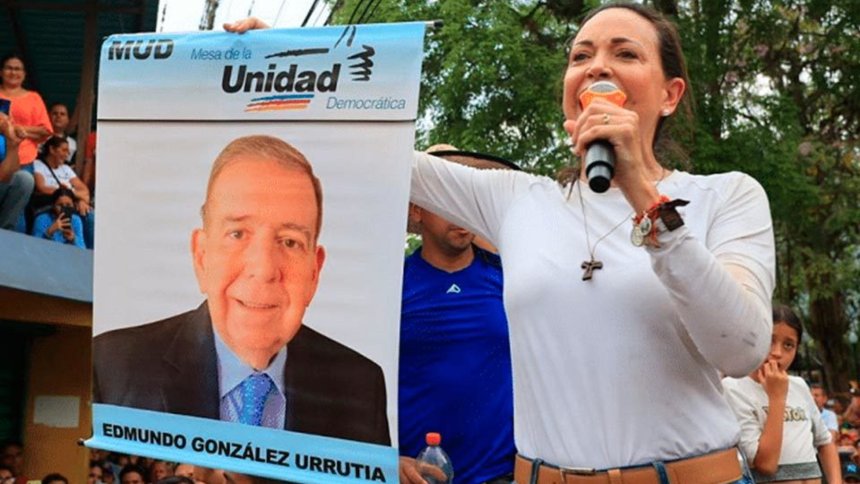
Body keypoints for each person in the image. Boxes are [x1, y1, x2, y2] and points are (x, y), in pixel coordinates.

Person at [230, 7, 774, 478]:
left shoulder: (726, 198)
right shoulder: (518, 201)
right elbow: (365, 148)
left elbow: (741, 348)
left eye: (625, 54)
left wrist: (641, 192)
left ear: (670, 94)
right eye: (581, 55)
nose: (598, 66)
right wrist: (284, 62)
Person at [93, 135, 390, 445]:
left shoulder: (361, 385)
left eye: (290, 241)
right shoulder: (112, 366)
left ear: (314, 272)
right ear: (201, 256)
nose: (263, 270)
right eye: (237, 234)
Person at [398, 147, 516, 484]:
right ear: (417, 210)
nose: (459, 212)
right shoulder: (394, 284)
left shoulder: (508, 278)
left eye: (464, 198)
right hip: (422, 475)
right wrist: (385, 456)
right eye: (445, 199)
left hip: (502, 474)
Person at [723, 305, 840, 482]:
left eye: (788, 345)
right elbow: (766, 465)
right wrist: (777, 397)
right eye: (769, 341)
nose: (777, 353)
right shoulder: (734, 388)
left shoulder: (799, 385)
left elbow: (824, 441)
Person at [33, 136, 94, 248]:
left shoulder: (66, 168)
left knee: (90, 216)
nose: (67, 154)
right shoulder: (38, 164)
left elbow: (85, 192)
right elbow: (42, 187)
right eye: (64, 150)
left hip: (71, 203)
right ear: (52, 149)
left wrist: (69, 193)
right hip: (49, 204)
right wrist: (63, 192)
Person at [0, 54, 51, 170]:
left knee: (24, 183)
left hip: (24, 158)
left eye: (17, 69)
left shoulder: (34, 98)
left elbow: (45, 130)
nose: (13, 73)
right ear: (1, 72)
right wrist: (16, 131)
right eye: (9, 68)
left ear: (24, 74)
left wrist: (15, 128)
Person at [0, 113, 33, 231]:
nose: (8, 122)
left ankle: (4, 232)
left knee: (24, 179)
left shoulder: (3, 139)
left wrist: (13, 144)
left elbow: (9, 175)